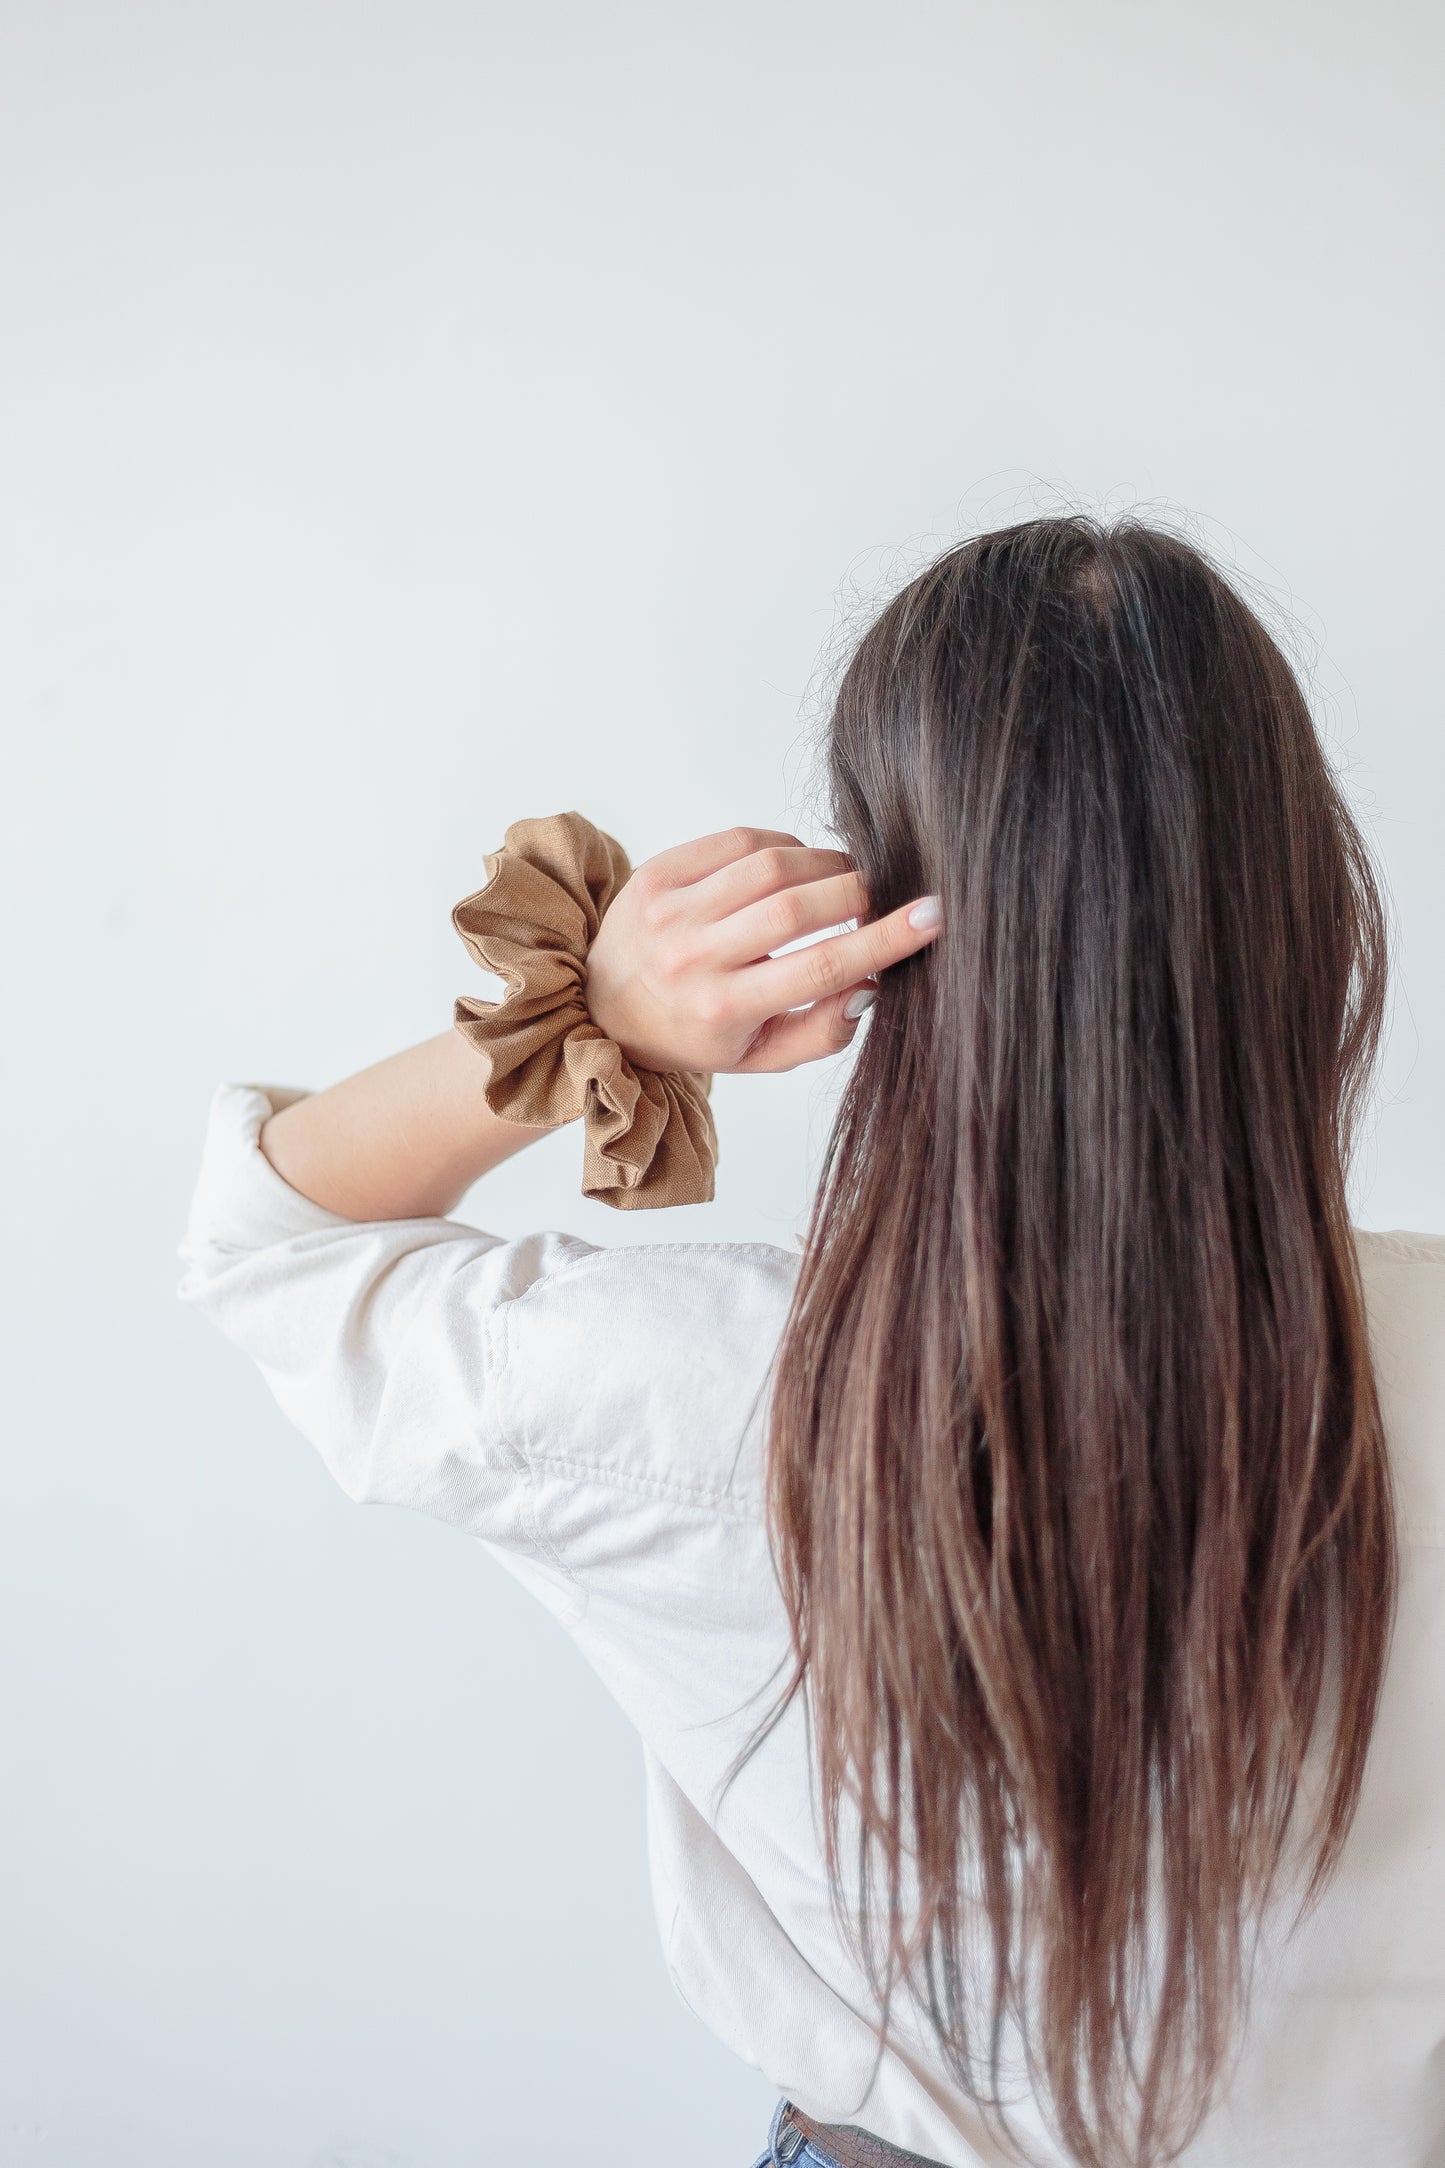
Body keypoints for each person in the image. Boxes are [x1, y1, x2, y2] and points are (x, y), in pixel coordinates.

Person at [176, 515, 1445, 2168]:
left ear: (879, 911)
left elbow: (268, 1244)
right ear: (1300, 908)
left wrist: (599, 1024)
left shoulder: (709, 1393)